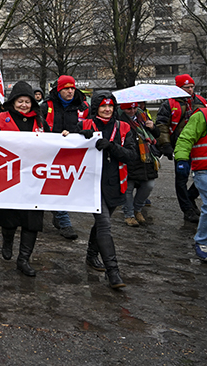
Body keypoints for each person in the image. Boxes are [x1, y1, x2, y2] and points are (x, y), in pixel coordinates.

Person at [0, 81, 44, 276]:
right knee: (9, 216)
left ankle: (24, 259)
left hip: (33, 178)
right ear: (13, 102)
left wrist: (65, 136)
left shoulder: (40, 121)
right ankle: (7, 241)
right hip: (8, 176)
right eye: (20, 101)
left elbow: (52, 142)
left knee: (32, 219)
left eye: (27, 102)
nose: (24, 105)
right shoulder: (2, 118)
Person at [75, 91, 137, 288]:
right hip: (91, 183)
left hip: (114, 184)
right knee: (104, 224)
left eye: (110, 106)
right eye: (103, 106)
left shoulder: (124, 127)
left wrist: (111, 146)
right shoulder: (85, 124)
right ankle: (113, 272)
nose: (107, 109)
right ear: (96, 107)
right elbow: (67, 146)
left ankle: (91, 255)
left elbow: (131, 155)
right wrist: (79, 137)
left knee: (102, 222)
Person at [40, 75, 87, 240]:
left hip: (72, 154)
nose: (70, 91)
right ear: (59, 90)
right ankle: (64, 222)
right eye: (66, 88)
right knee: (56, 185)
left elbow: (89, 126)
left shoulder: (83, 107)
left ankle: (58, 214)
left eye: (72, 88)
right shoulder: (46, 107)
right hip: (49, 153)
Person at [157, 74, 207, 223]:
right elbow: (162, 125)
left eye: (192, 87)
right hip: (180, 147)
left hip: (199, 147)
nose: (190, 90)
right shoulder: (169, 104)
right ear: (179, 88)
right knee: (181, 178)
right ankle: (187, 210)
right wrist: (165, 144)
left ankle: (190, 197)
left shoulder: (202, 101)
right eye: (186, 87)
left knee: (202, 175)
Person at [174, 101, 207, 262]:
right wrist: (182, 159)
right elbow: (185, 138)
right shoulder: (203, 115)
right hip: (205, 170)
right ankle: (203, 242)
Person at [118, 102, 160, 227]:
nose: (132, 111)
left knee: (148, 185)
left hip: (145, 159)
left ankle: (137, 209)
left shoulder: (143, 116)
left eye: (134, 108)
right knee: (128, 188)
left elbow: (156, 135)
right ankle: (129, 214)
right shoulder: (118, 120)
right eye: (128, 109)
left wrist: (152, 127)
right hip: (129, 158)